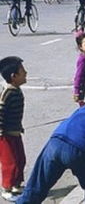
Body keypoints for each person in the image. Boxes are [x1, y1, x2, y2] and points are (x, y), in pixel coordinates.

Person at [0, 56, 28, 202]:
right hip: (5, 135)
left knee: (20, 159)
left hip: (15, 132)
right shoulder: (7, 93)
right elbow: (1, 113)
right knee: (10, 162)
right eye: (22, 71)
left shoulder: (17, 90)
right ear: (14, 76)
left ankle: (16, 184)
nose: (26, 73)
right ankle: (6, 188)